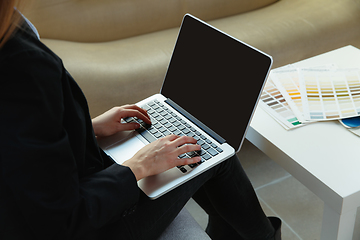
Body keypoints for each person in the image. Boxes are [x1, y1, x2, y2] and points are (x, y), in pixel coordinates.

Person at [0, 1, 281, 239]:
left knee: (206, 145)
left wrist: (89, 128)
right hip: (92, 227)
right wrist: (137, 166)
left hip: (70, 188)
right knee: (213, 147)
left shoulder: (11, 33)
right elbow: (63, 220)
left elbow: (22, 146)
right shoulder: (20, 65)